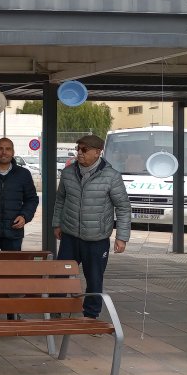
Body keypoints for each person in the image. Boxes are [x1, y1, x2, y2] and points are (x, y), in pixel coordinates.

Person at [53, 134, 130, 319]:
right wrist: (57, 223)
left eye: (84, 150)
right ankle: (55, 310)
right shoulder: (68, 172)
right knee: (61, 275)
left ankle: (91, 314)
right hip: (70, 236)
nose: (79, 153)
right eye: (78, 149)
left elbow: (123, 206)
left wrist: (122, 237)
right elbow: (60, 200)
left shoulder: (111, 176)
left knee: (94, 279)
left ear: (97, 152)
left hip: (97, 239)